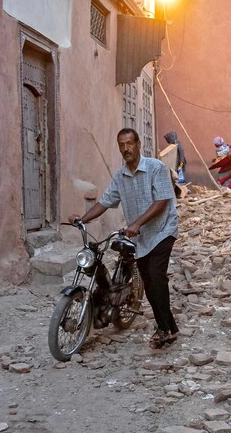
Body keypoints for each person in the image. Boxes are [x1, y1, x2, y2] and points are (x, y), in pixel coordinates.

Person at [72, 128, 180, 349]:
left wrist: (137, 223)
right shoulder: (120, 177)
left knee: (155, 276)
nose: (125, 149)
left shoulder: (155, 168)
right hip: (140, 237)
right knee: (149, 283)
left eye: (129, 143)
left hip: (162, 230)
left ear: (139, 144)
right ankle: (169, 327)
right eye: (121, 145)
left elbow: (162, 202)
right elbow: (104, 202)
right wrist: (82, 219)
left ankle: (165, 329)